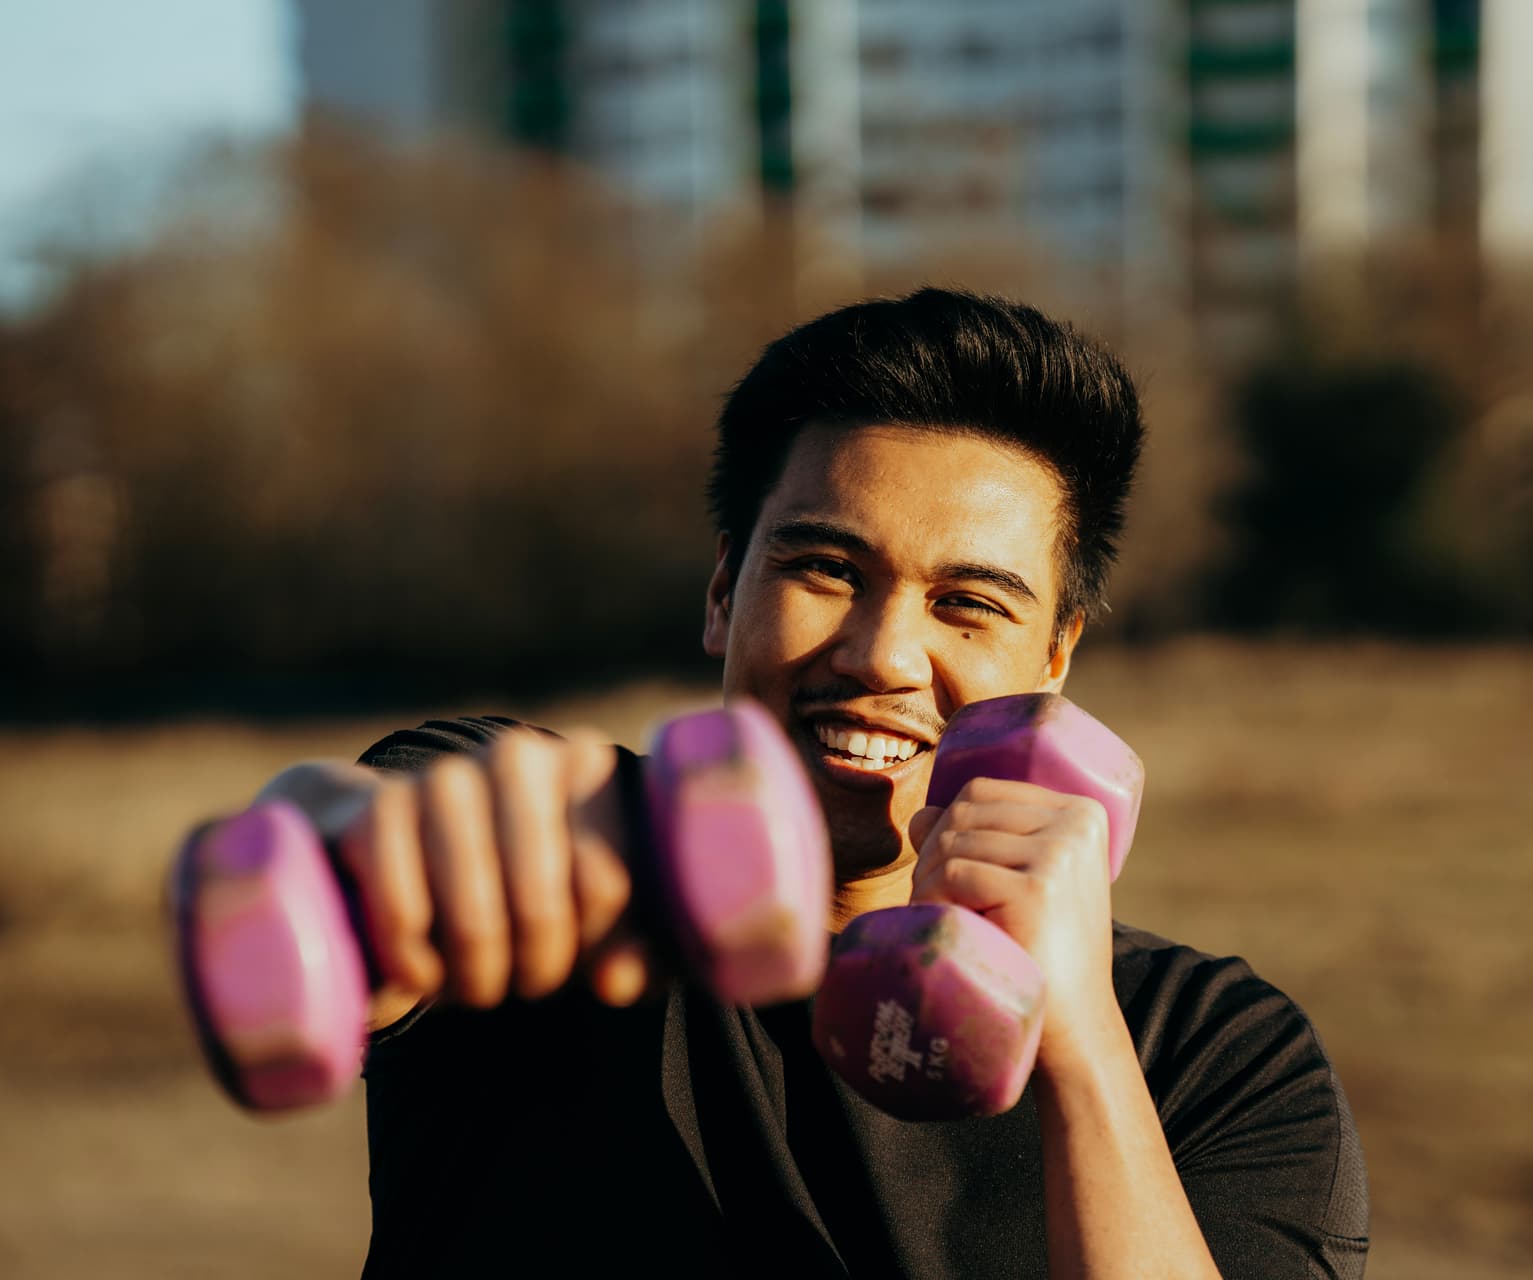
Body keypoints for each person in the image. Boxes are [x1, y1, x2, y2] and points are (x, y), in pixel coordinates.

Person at [250, 289, 1369, 1278]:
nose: (883, 654)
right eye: (827, 569)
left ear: (1056, 656)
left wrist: (1079, 1046)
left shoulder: (1218, 1057)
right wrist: (331, 873)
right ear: (725, 590)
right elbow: (341, 865)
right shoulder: (551, 846)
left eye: (967, 603)